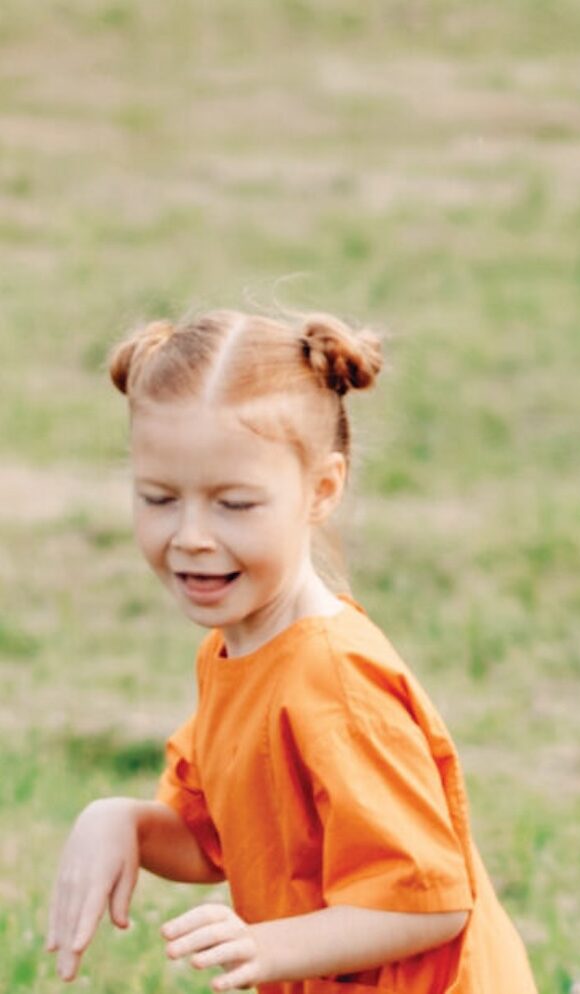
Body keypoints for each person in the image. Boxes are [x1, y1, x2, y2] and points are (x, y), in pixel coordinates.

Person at [46, 311, 537, 994]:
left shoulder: (333, 677)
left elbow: (428, 902)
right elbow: (213, 842)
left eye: (235, 504)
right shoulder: (234, 653)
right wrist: (118, 821)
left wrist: (268, 945)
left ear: (322, 490)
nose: (190, 535)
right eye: (158, 498)